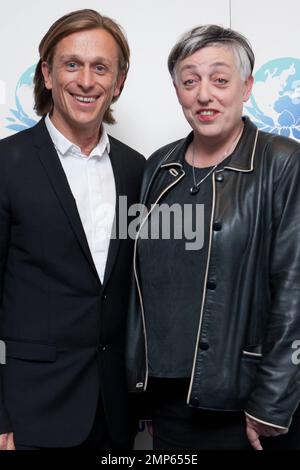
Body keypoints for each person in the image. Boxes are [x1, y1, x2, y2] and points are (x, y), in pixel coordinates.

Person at [126, 25, 300, 450]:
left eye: (220, 80)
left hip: (246, 405)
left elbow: (295, 289)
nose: (204, 95)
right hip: (166, 405)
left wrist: (272, 403)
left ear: (247, 86)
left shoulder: (282, 163)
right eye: (190, 81)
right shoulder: (157, 168)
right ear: (177, 90)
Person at [0, 9, 144, 450]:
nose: (86, 81)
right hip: (29, 414)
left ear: (118, 82)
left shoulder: (137, 169)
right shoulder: (6, 164)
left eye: (101, 67)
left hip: (115, 414)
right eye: (72, 64)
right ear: (47, 73)